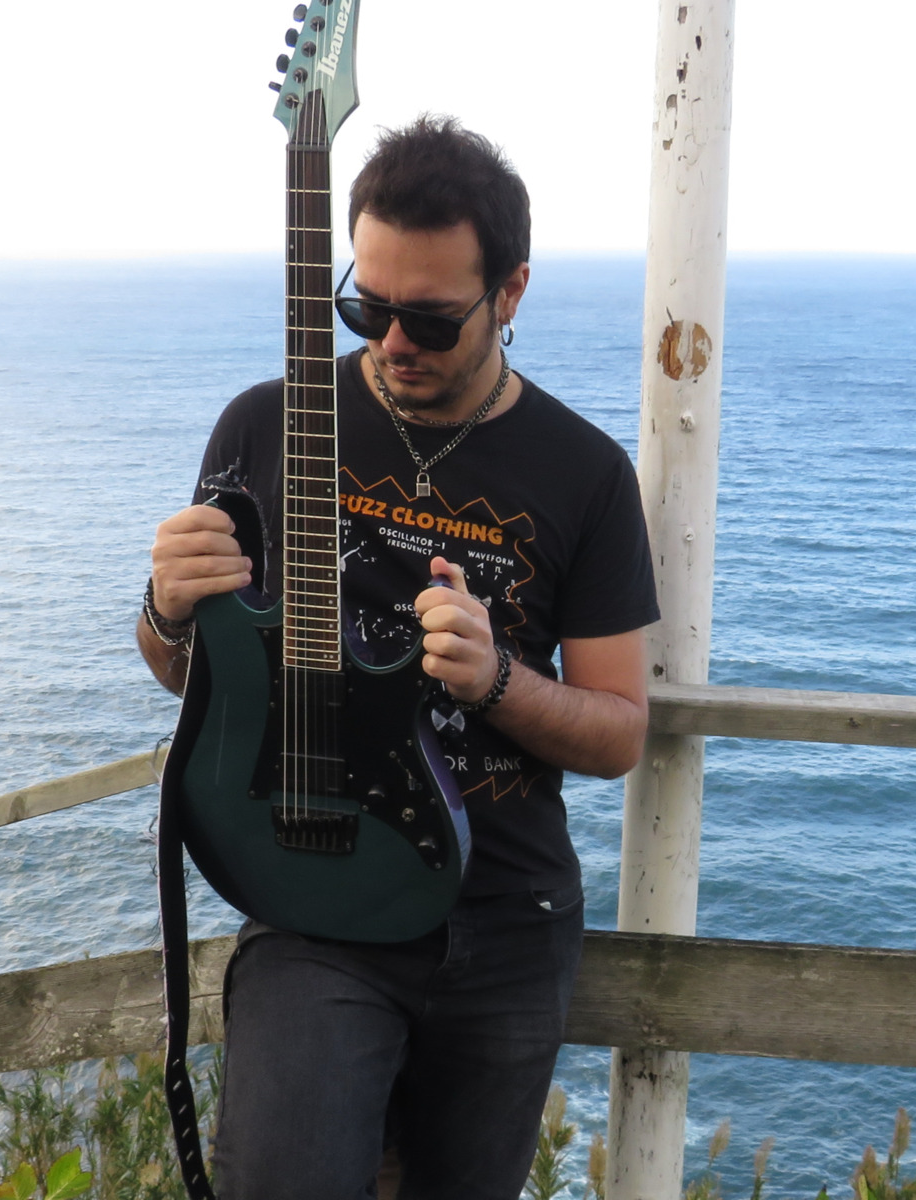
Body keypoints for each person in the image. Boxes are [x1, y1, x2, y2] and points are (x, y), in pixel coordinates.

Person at [138, 116, 660, 1200]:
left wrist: (496, 680)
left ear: (509, 293)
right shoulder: (263, 427)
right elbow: (188, 673)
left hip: (506, 917)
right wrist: (167, 610)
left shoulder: (586, 475)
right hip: (314, 895)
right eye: (365, 308)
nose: (392, 343)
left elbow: (619, 733)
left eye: (427, 319)